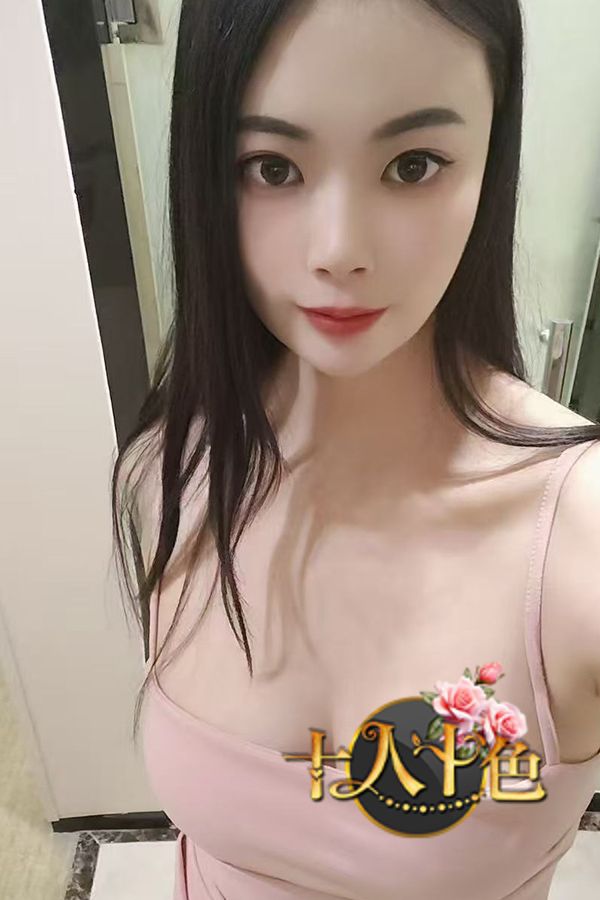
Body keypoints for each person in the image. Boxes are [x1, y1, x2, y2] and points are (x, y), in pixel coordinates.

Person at [111, 1, 600, 897]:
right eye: (272, 168)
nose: (339, 250)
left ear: (490, 160)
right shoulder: (171, 470)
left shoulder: (577, 542)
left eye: (413, 166)